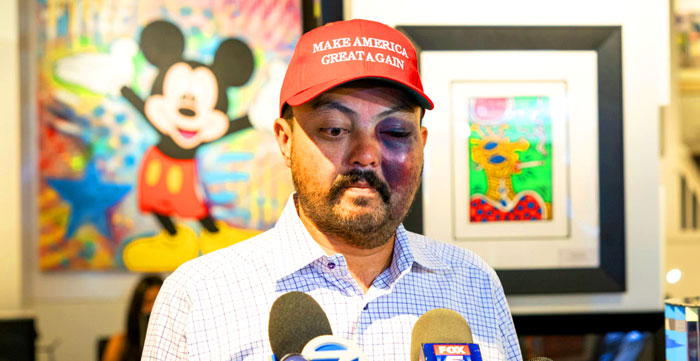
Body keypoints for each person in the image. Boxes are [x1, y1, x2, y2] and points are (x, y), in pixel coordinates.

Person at [142, 19, 521, 360]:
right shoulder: (199, 295)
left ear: (421, 142)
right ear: (286, 140)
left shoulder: (473, 282)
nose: (367, 155)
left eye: (395, 132)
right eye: (335, 129)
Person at [102, 275, 163, 361]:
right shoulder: (120, 343)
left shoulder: (176, 344)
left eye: (158, 302)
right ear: (137, 306)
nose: (153, 308)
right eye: (148, 302)